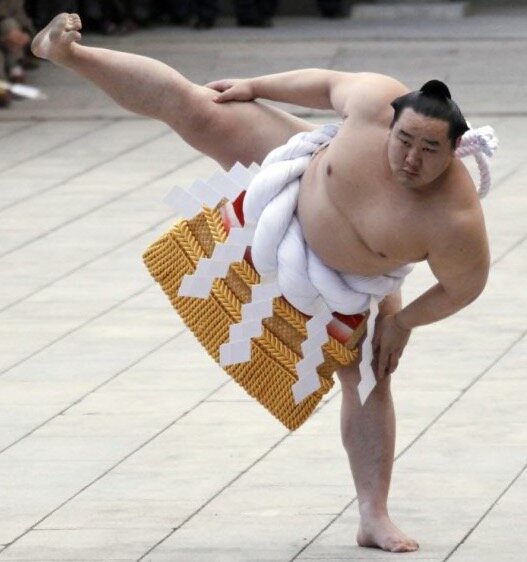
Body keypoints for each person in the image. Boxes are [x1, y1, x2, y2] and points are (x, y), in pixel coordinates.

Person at [31, 13, 494, 553]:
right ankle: (69, 54)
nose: (411, 158)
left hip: (352, 281)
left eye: (429, 150)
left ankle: (374, 516)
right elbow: (325, 84)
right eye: (404, 140)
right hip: (296, 176)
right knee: (200, 107)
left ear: (455, 150)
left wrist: (403, 322)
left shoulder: (454, 219)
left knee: (370, 378)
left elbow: (465, 287)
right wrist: (256, 86)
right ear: (390, 124)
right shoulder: (374, 101)